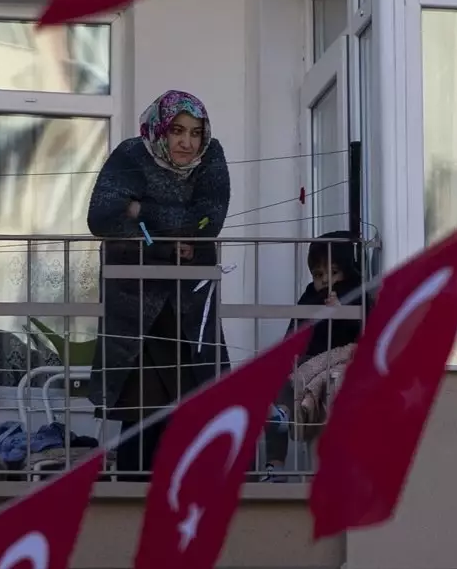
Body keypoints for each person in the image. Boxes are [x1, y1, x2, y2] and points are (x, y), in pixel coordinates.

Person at [86, 90, 232, 476]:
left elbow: (207, 223)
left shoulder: (211, 158)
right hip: (135, 303)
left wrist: (141, 212)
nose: (187, 142)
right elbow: (102, 218)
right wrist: (170, 241)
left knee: (193, 403)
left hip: (188, 301)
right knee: (141, 410)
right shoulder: (131, 155)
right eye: (177, 131)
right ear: (159, 130)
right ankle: (133, 502)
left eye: (195, 132)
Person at [263, 233, 369, 480]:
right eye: (318, 275)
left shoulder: (355, 291)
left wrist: (342, 311)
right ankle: (274, 465)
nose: (325, 281)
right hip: (303, 359)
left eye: (332, 273)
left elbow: (366, 326)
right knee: (278, 387)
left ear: (346, 270)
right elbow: (295, 326)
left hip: (332, 360)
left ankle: (282, 416)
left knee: (293, 388)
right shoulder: (311, 294)